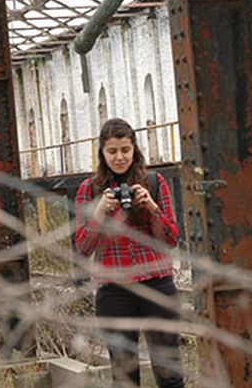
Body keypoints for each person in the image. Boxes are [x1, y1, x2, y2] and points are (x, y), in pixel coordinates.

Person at [75, 118, 184, 387]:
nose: (120, 157)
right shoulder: (89, 190)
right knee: (124, 376)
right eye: (112, 151)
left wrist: (152, 207)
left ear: (134, 149)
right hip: (114, 291)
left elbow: (172, 239)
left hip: (158, 285)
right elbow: (82, 248)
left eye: (125, 149)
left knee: (169, 373)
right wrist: (99, 212)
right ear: (102, 153)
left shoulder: (154, 183)